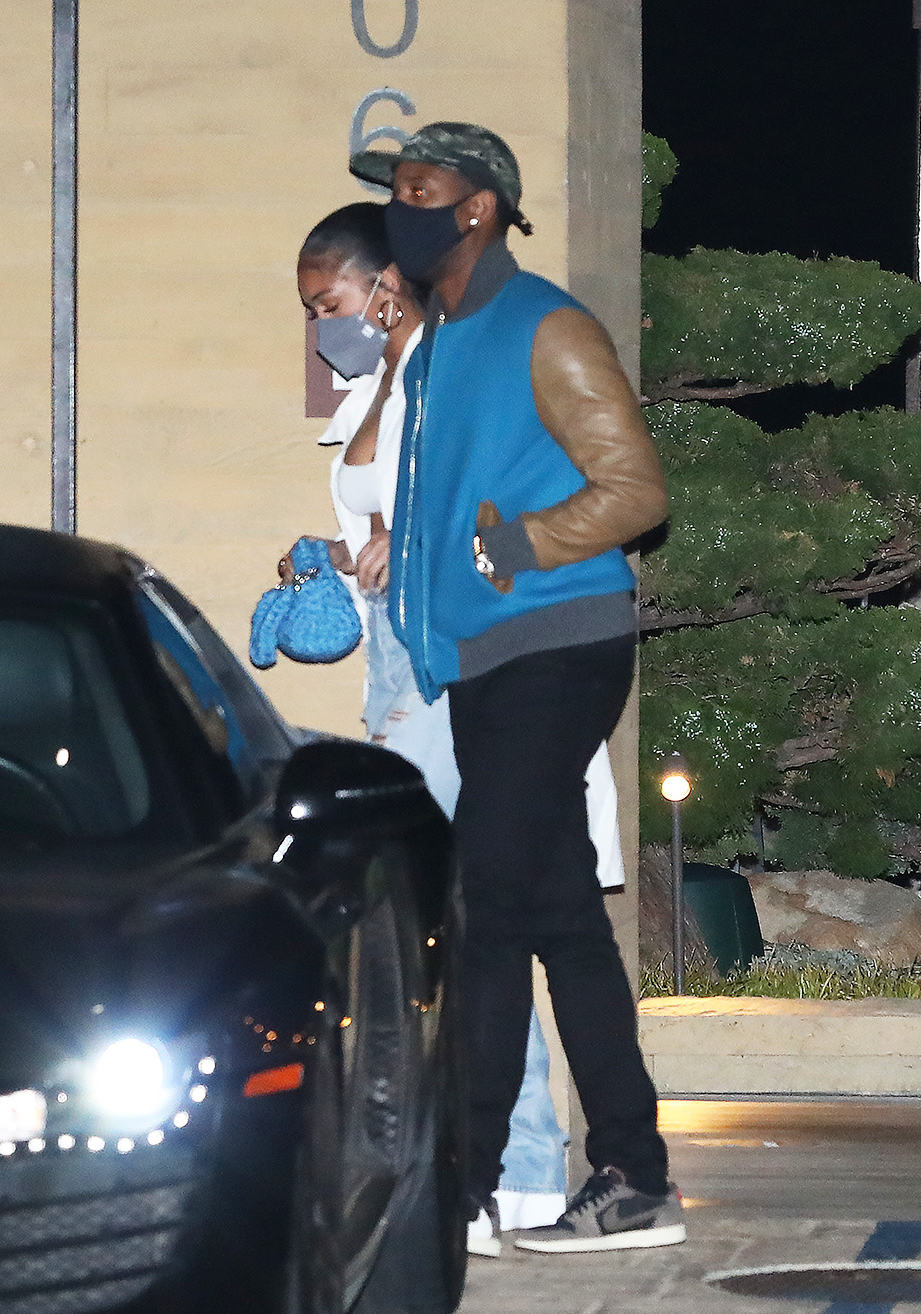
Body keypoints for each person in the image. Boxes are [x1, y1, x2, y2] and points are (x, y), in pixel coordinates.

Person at [349, 123, 684, 1255]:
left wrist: (528, 542)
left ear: (478, 207)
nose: (402, 208)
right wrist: (413, 562)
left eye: (419, 190)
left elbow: (634, 488)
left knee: (479, 910)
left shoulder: (546, 322)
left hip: (558, 642)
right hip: (485, 658)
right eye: (394, 192)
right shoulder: (442, 341)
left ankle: (466, 1187)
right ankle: (633, 1178)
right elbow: (455, 495)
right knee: (556, 921)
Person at [286, 203, 631, 1244]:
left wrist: (422, 548)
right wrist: (340, 560)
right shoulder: (371, 388)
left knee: (466, 911)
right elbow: (387, 520)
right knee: (463, 909)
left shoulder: (459, 366)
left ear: (386, 283)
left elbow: (504, 510)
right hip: (401, 657)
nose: (320, 327)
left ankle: (508, 1166)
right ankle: (497, 1165)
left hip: (461, 659)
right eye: (310, 310)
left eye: (329, 303)